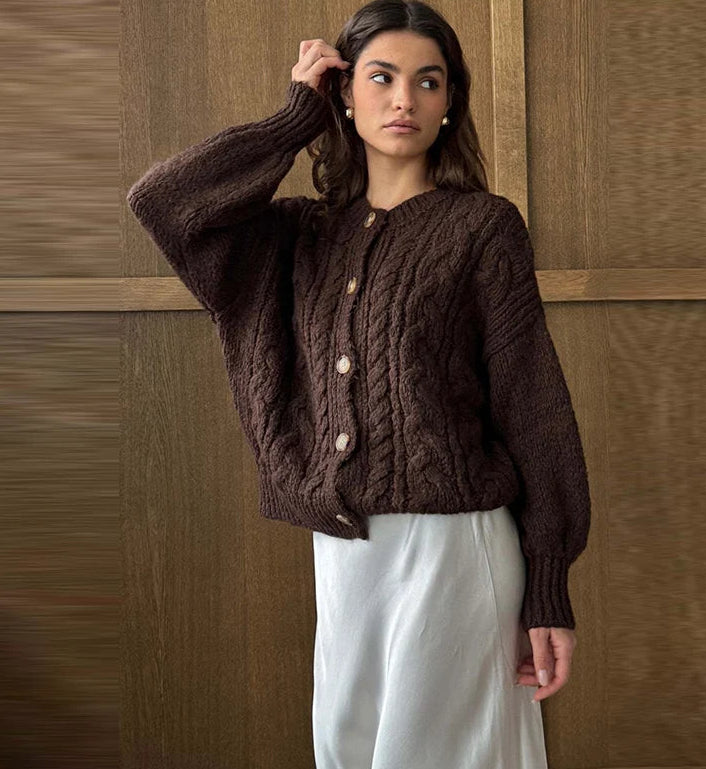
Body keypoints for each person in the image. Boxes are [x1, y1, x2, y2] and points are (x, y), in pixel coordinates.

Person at [126, 1, 592, 766]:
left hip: (454, 546)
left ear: (449, 103)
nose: (403, 99)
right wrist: (292, 118)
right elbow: (163, 205)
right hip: (344, 548)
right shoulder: (292, 237)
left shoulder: (480, 227)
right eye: (380, 77)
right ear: (346, 94)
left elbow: (532, 405)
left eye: (427, 81)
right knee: (349, 751)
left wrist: (547, 585)